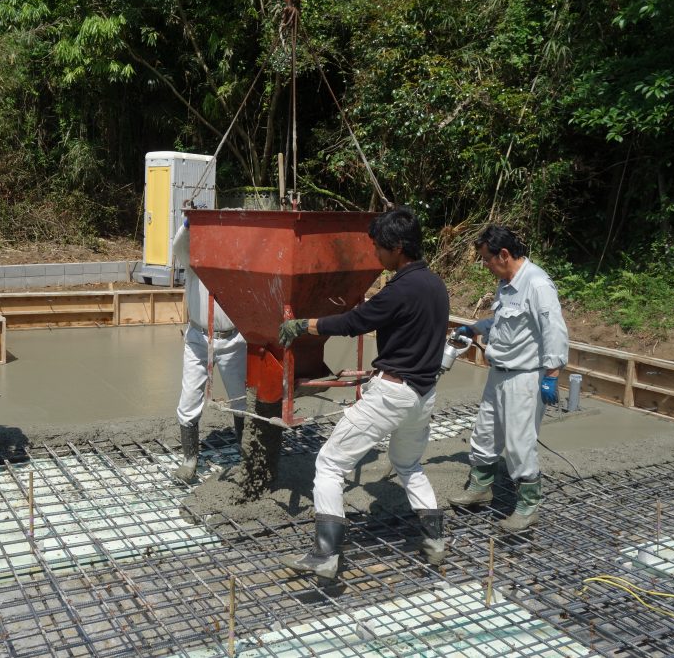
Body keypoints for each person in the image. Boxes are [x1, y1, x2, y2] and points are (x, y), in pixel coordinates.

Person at [277, 207, 450, 578]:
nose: (375, 254)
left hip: (392, 394)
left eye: (379, 248)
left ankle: (325, 555)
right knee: (408, 464)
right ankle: (435, 540)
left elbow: (355, 322)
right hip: (423, 395)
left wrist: (305, 325)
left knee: (329, 463)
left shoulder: (400, 289)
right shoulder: (435, 284)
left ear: (398, 247)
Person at [448, 225, 569, 531]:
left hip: (525, 378)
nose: (486, 266)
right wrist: (475, 329)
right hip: (499, 373)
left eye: (487, 260)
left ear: (503, 254)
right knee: (485, 433)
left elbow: (554, 329)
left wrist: (552, 374)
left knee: (518, 442)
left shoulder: (537, 284)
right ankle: (480, 487)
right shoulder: (507, 283)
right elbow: (504, 323)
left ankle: (528, 505)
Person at [172, 216, 247, 482]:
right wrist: (188, 226)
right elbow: (179, 245)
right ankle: (190, 460)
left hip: (232, 340)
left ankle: (246, 457)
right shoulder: (195, 261)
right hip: (198, 339)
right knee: (189, 400)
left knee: (241, 401)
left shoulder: (239, 264)